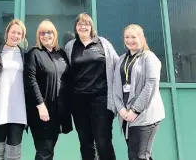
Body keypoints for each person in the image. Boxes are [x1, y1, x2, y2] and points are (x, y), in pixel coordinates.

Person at [64, 12, 118, 160]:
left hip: (101, 100)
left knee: (103, 141)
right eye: (80, 24)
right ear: (76, 27)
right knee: (85, 142)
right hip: (79, 102)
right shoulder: (70, 46)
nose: (83, 26)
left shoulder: (103, 43)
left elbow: (117, 66)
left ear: (91, 26)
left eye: (86, 24)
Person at [113, 24, 165, 160]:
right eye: (127, 37)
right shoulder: (122, 59)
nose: (130, 40)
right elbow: (115, 86)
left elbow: (151, 84)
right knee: (138, 155)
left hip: (144, 116)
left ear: (141, 38)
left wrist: (135, 110)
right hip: (126, 117)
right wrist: (121, 109)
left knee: (139, 156)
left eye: (133, 37)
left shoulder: (149, 57)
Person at [24, 19, 73, 160]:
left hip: (58, 111)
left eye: (49, 32)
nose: (46, 35)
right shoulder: (34, 53)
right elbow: (30, 80)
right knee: (44, 151)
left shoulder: (62, 54)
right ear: (38, 36)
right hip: (41, 112)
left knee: (49, 150)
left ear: (55, 34)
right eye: (42, 33)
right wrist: (40, 106)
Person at [0, 19, 27, 160]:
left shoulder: (25, 55)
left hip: (18, 110)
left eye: (19, 33)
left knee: (14, 154)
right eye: (13, 32)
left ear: (22, 37)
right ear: (7, 33)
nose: (15, 35)